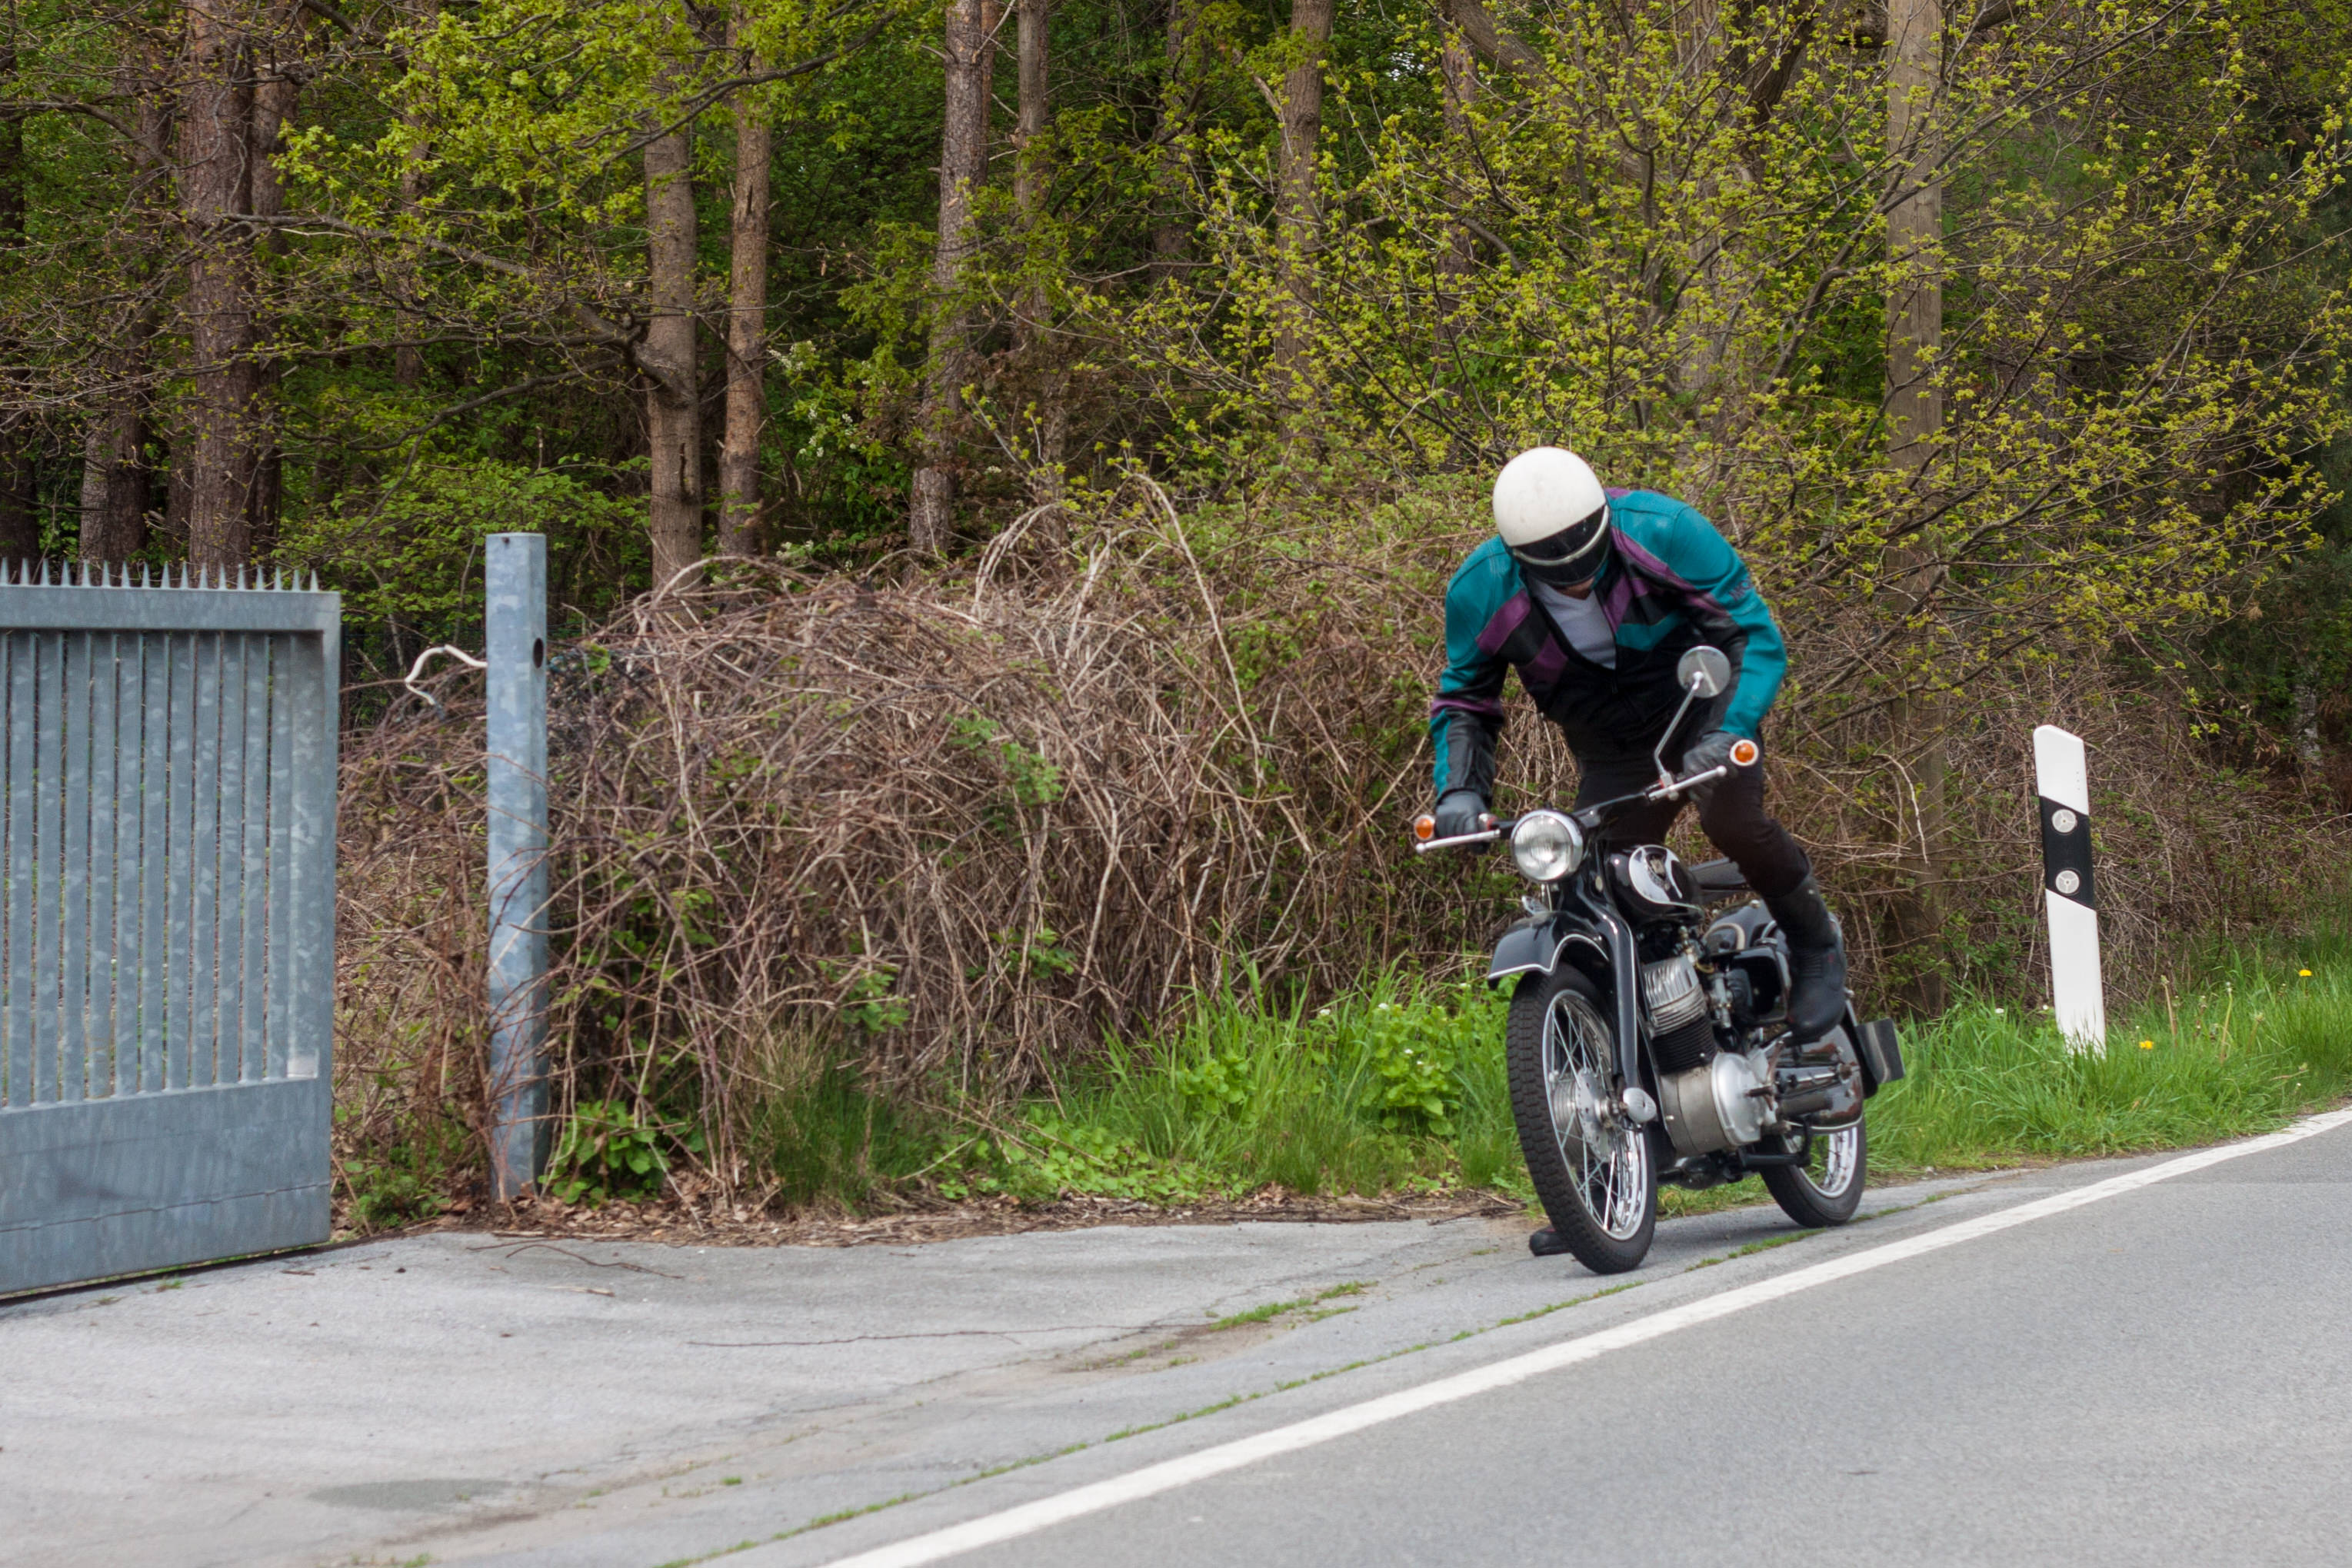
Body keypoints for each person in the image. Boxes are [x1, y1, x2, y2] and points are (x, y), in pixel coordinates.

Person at [1429, 445, 1847, 1041]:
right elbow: (1466, 701)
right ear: (1518, 556)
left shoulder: (1667, 531)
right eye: (1555, 569)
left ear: (1603, 519)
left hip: (1702, 711)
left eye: (1586, 557)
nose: (1576, 578)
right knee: (1592, 882)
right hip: (1610, 746)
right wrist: (1460, 794)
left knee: (1732, 821)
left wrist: (1728, 731)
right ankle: (1659, 1030)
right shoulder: (1480, 590)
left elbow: (1752, 637)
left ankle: (1814, 941)